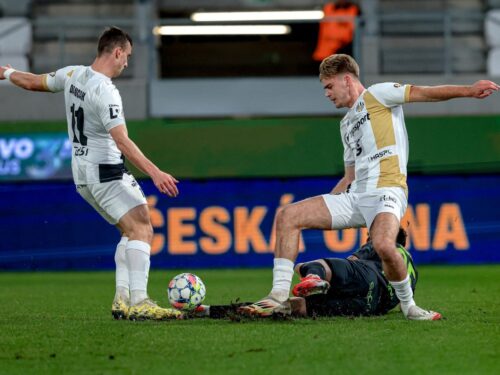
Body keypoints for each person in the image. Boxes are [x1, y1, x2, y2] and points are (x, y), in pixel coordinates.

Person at [240, 53, 499, 320]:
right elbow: (349, 176)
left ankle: (409, 307)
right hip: (356, 196)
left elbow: (426, 93)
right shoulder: (346, 124)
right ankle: (278, 297)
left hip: (387, 191)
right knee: (288, 215)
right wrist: (329, 203)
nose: (327, 94)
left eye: (329, 86)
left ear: (347, 80)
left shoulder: (379, 94)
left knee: (385, 246)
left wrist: (469, 90)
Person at [0, 27, 181, 321]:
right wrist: (155, 172)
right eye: (127, 57)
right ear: (117, 51)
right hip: (107, 171)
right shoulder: (105, 90)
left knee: (129, 230)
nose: (126, 64)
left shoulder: (73, 75)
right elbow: (122, 141)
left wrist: (7, 73)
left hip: (82, 176)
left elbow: (33, 82)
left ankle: (122, 299)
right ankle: (141, 301)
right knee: (142, 229)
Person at [198, 228, 419, 319]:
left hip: (366, 277)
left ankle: (313, 277)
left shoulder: (384, 244)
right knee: (300, 307)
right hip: (369, 307)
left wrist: (304, 268)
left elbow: (351, 264)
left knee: (319, 265)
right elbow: (402, 301)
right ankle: (214, 311)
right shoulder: (412, 270)